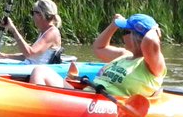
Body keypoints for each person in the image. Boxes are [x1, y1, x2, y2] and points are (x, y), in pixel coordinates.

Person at [30, 12, 166, 96]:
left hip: (106, 104)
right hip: (88, 95)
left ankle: (39, 111)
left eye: (125, 32)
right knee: (40, 71)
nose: (122, 35)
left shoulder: (153, 66)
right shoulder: (123, 55)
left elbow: (150, 42)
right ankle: (36, 107)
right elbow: (98, 47)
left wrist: (154, 29)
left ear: (137, 38)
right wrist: (114, 25)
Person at [0, 0, 63, 64]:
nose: (32, 17)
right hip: (28, 66)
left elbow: (30, 53)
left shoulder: (52, 33)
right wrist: (5, 56)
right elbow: (29, 56)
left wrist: (13, 29)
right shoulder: (44, 31)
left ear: (41, 15)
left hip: (33, 69)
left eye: (32, 13)